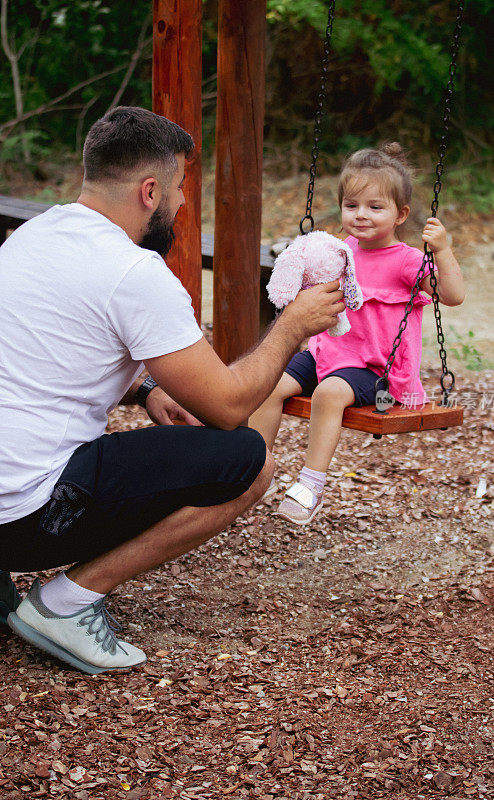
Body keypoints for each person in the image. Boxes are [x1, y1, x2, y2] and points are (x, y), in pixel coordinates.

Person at [0, 106, 345, 674]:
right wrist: (291, 327)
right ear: (150, 190)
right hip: (24, 514)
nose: (183, 203)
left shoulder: (33, 234)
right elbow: (231, 406)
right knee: (247, 460)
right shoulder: (134, 273)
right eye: (181, 189)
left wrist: (143, 390)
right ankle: (64, 604)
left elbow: (44, 348)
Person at [249, 143, 465, 525]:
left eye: (374, 207)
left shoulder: (407, 260)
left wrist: (443, 250)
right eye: (352, 206)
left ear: (401, 214)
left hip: (372, 367)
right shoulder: (342, 250)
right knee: (266, 383)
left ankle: (310, 484)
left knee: (330, 393)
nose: (361, 216)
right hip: (325, 353)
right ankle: (252, 469)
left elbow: (452, 296)